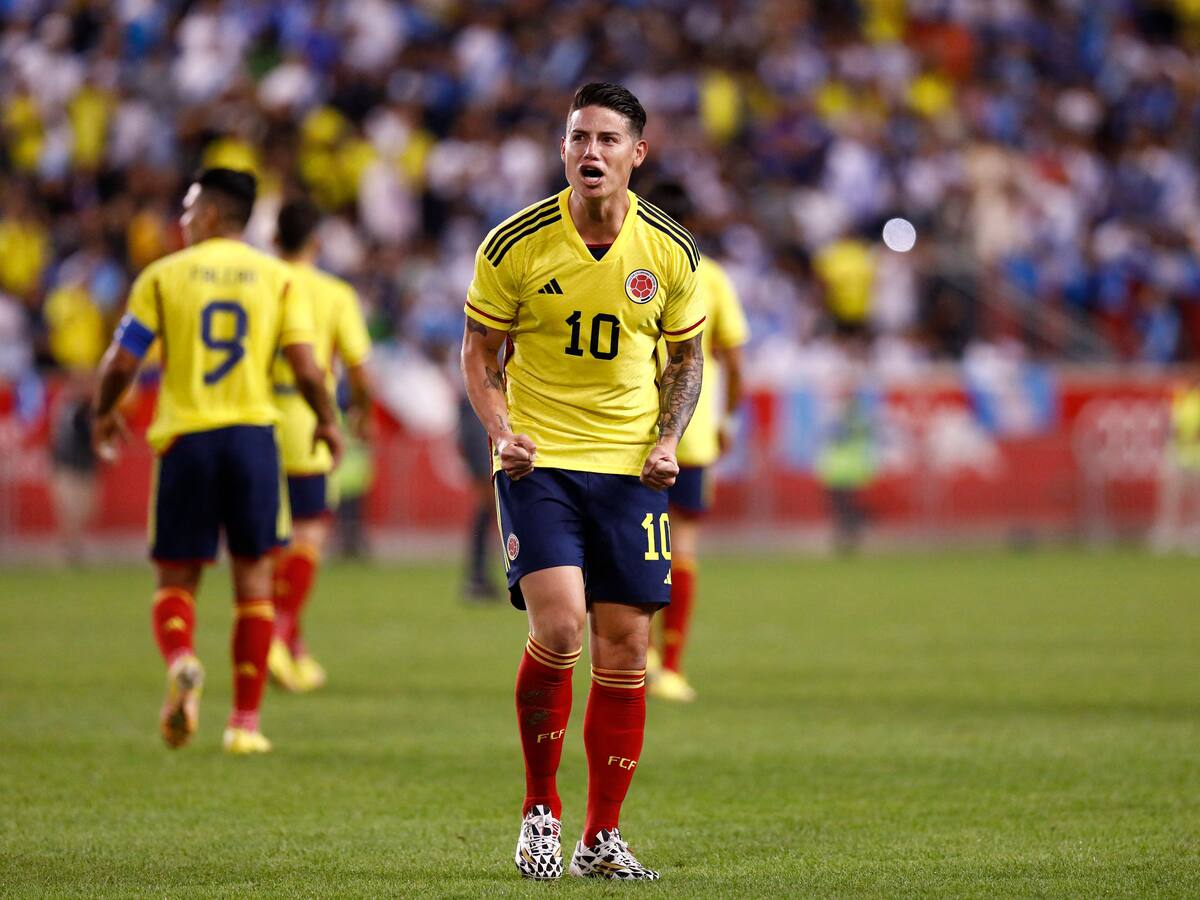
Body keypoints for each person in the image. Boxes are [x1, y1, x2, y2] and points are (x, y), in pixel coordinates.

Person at [461, 83, 705, 881]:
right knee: (562, 629)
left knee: (628, 650)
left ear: (639, 152)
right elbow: (478, 351)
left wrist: (670, 438)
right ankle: (540, 811)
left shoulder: (670, 249)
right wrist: (501, 434)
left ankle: (602, 837)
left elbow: (687, 358)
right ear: (562, 149)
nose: (589, 152)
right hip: (541, 464)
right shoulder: (513, 243)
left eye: (606, 139)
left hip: (630, 471)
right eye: (577, 138)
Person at [92, 168, 342, 755]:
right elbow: (307, 367)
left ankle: (182, 660)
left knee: (176, 578)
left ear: (210, 215)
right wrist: (328, 420)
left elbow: (122, 364)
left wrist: (104, 412)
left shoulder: (163, 276)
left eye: (186, 208)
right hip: (255, 441)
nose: (178, 220)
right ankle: (244, 726)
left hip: (188, 439)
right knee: (254, 584)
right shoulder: (278, 278)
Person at [643, 186, 749, 703]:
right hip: (692, 432)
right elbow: (733, 358)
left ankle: (639, 655)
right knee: (681, 547)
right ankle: (673, 668)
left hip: (631, 434)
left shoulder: (630, 266)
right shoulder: (710, 277)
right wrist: (727, 418)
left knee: (628, 546)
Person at [267, 197, 372, 692]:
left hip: (256, 418)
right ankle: (277, 634)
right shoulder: (333, 293)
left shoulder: (261, 283)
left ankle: (293, 649)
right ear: (316, 242)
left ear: (273, 241)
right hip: (309, 418)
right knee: (309, 534)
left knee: (270, 543)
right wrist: (362, 412)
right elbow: (357, 364)